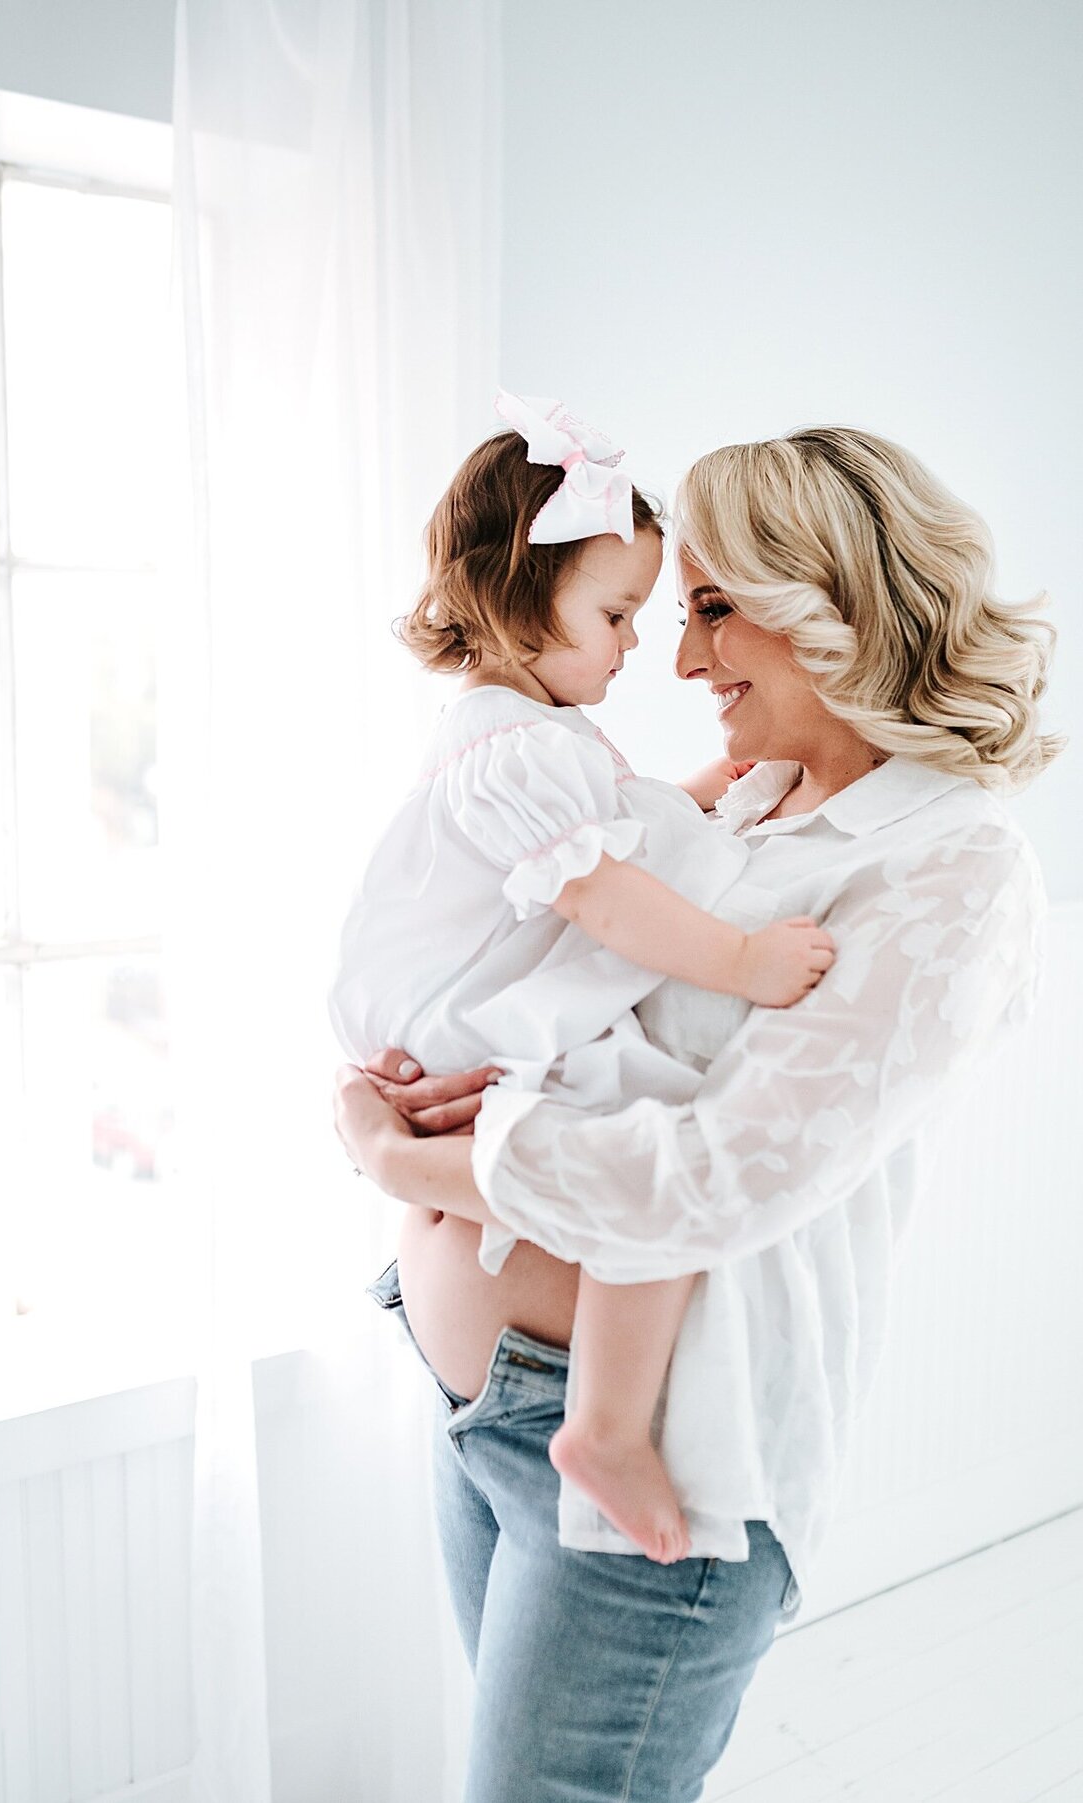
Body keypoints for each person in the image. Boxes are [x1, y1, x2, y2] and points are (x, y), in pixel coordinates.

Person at [334, 424, 1060, 1803]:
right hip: (485, 1407)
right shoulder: (751, 812)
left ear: (833, 600)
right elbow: (570, 999)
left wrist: (406, 1149)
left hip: (657, 1461)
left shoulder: (955, 871)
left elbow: (705, 1179)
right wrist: (420, 1077)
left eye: (714, 611)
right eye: (667, 614)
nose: (676, 663)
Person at [330, 390, 835, 1563]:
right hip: (451, 1015)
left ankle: (601, 1422)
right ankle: (605, 1426)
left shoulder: (523, 739)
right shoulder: (515, 746)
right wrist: (746, 961)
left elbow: (638, 826)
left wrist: (727, 773)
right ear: (518, 590)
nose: (638, 647)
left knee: (634, 1135)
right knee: (644, 1131)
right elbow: (607, 892)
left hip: (453, 1017)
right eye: (616, 613)